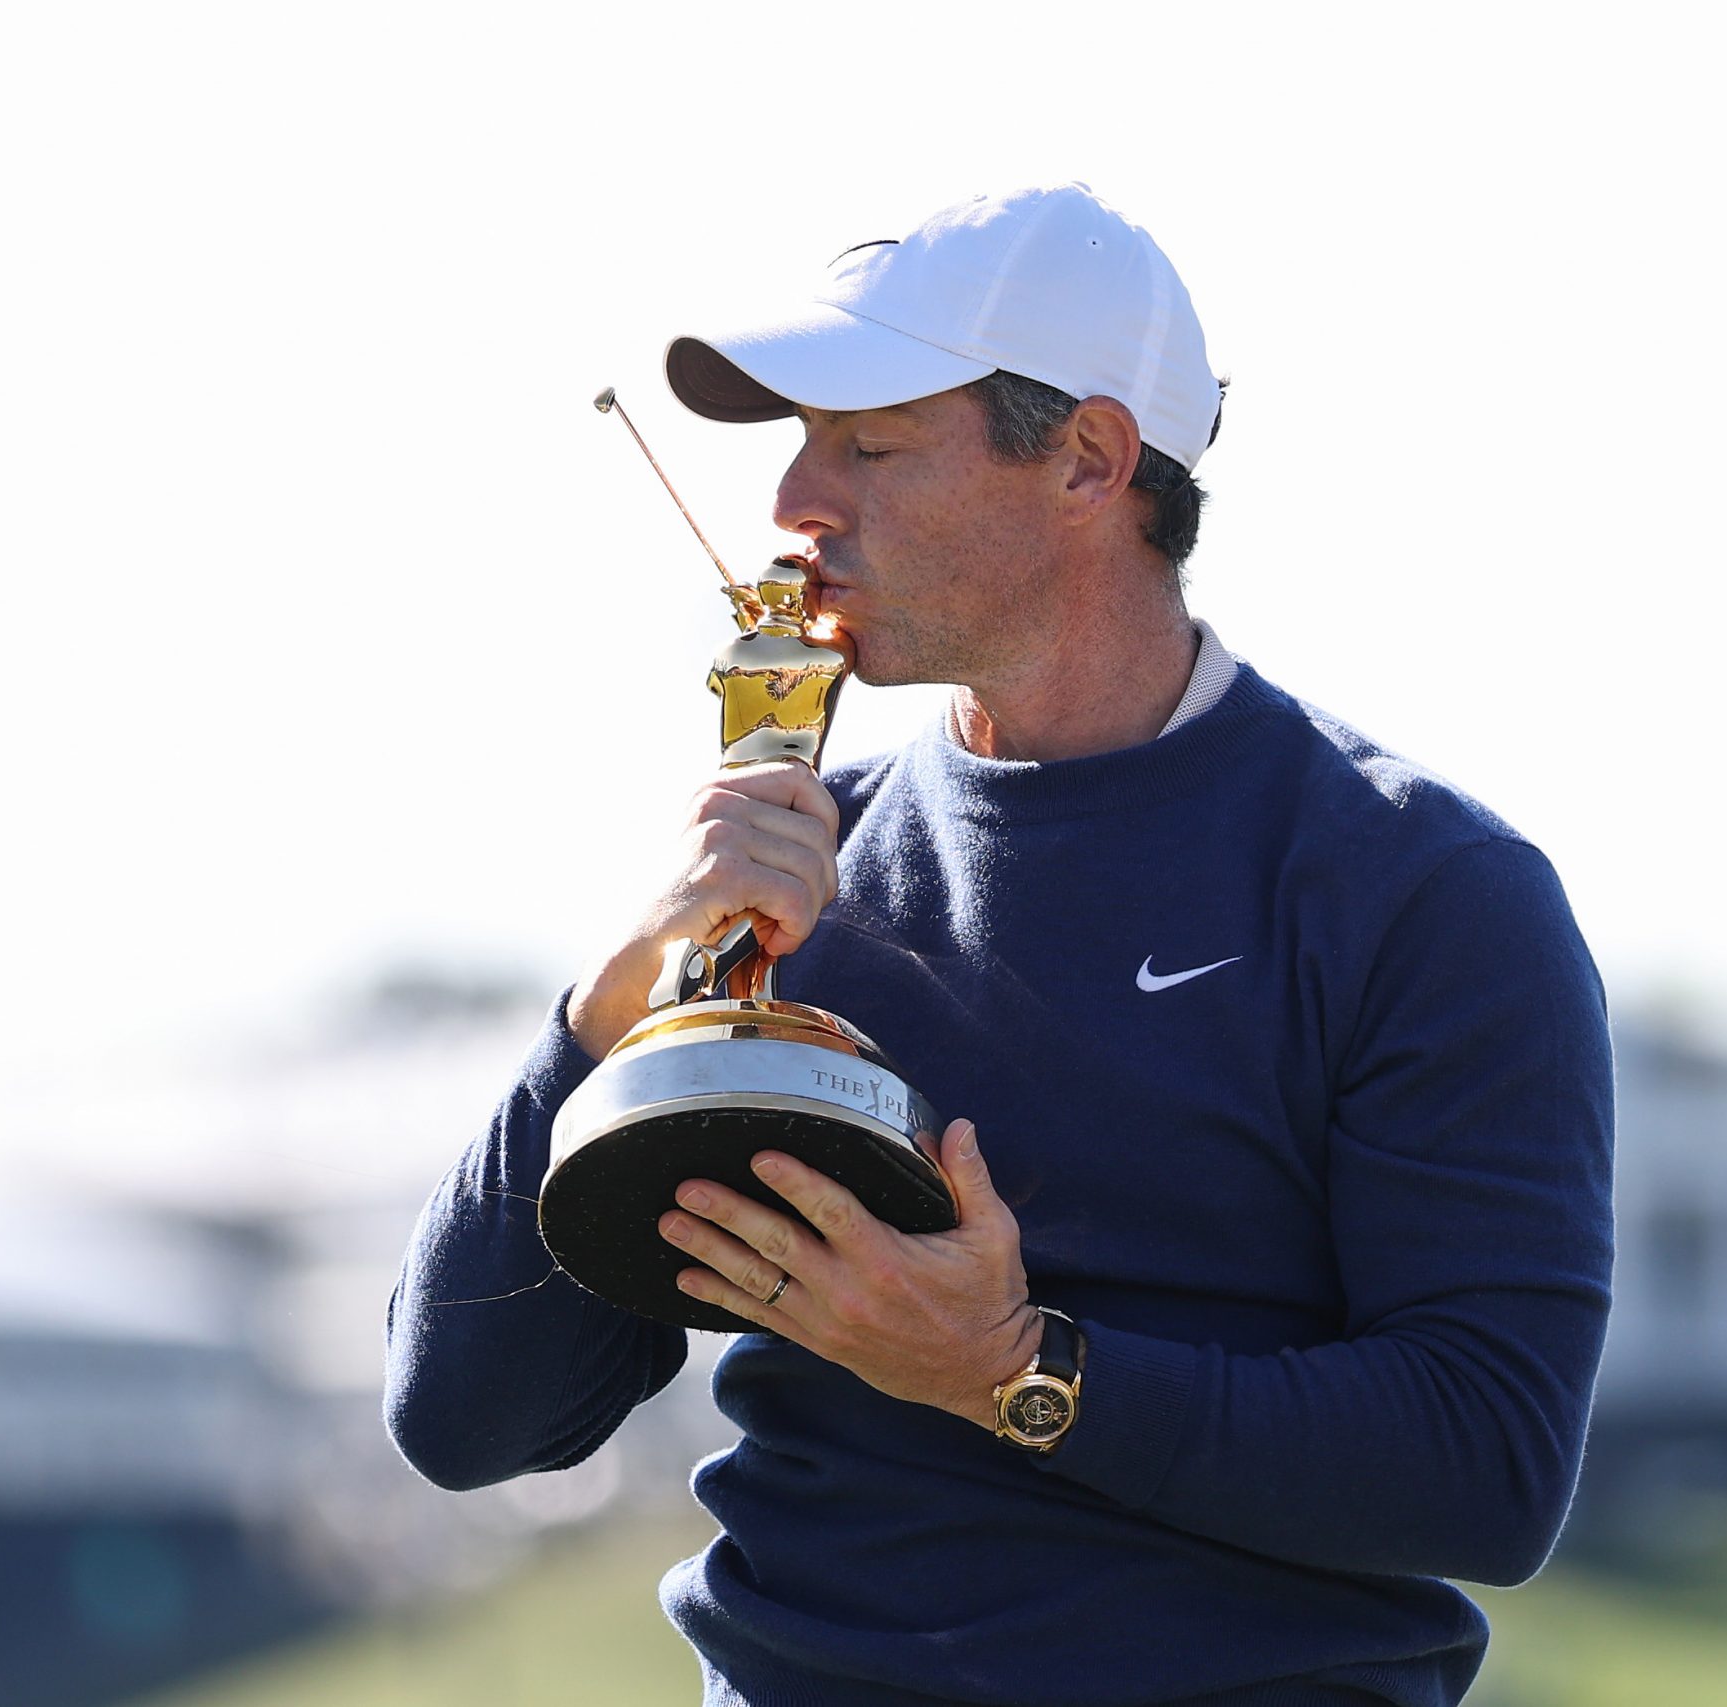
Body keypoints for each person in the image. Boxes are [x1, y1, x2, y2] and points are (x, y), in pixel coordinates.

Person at [385, 182, 1614, 1706]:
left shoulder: (1422, 888)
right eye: (799, 440)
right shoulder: (779, 879)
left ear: (1091, 459)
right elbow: (469, 1426)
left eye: (870, 446)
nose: (795, 502)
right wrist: (608, 1007)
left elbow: (1485, 1470)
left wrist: (1009, 1370)